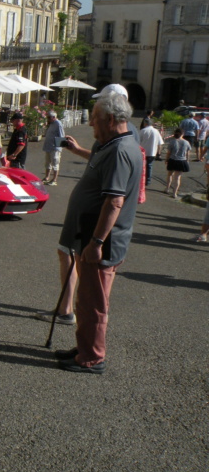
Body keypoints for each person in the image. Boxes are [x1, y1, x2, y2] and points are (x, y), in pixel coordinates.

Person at [52, 93, 143, 374]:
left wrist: (96, 242)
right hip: (89, 236)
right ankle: (84, 348)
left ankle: (92, 358)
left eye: (94, 119)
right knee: (87, 298)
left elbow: (114, 201)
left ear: (111, 120)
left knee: (94, 303)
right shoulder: (111, 144)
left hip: (101, 241)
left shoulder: (119, 150)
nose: (91, 123)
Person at [164, 128, 190, 197]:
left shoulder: (172, 142)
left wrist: (166, 159)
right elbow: (188, 153)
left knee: (170, 175)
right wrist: (187, 160)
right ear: (182, 134)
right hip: (182, 160)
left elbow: (168, 153)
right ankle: (174, 193)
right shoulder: (186, 142)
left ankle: (167, 188)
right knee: (178, 178)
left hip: (172, 160)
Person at [41, 110, 65, 185]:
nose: (48, 119)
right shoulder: (51, 123)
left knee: (55, 163)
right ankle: (47, 177)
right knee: (47, 163)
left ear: (54, 117)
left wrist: (59, 148)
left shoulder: (58, 124)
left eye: (49, 117)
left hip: (55, 148)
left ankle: (54, 180)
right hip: (49, 146)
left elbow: (61, 136)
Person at [139, 121, 164, 187]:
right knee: (149, 166)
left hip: (142, 151)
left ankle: (141, 179)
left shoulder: (143, 131)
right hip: (152, 152)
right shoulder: (156, 131)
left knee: (142, 166)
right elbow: (160, 143)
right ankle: (148, 181)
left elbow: (138, 141)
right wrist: (159, 153)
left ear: (145, 123)